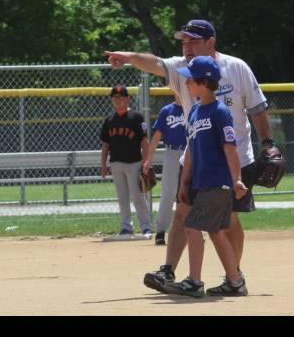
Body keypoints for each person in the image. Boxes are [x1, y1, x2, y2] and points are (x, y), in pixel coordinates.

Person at [105, 19, 274, 292]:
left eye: (193, 40)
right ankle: (169, 271)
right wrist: (128, 58)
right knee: (183, 213)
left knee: (227, 220)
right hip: (196, 158)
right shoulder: (183, 70)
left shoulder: (236, 68)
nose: (187, 46)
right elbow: (155, 63)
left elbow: (257, 109)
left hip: (233, 161)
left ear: (211, 42)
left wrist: (267, 144)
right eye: (184, 41)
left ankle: (233, 275)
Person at [160, 56, 248, 297]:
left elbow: (230, 148)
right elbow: (190, 149)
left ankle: (195, 281)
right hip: (200, 179)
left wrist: (237, 178)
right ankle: (235, 281)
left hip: (217, 180)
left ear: (203, 82)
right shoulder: (196, 110)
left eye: (190, 81)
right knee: (216, 231)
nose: (186, 85)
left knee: (193, 225)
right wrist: (184, 180)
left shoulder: (220, 112)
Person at [100, 84, 153, 238]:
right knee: (122, 196)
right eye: (115, 98)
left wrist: (146, 162)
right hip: (116, 163)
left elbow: (144, 141)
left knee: (137, 196)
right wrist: (103, 164)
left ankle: (146, 227)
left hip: (134, 162)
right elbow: (105, 144)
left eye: (121, 97)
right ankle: (126, 227)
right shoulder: (109, 120)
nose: (117, 100)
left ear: (128, 98)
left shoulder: (136, 118)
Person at [142, 94, 187, 246]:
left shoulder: (194, 107)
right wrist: (148, 159)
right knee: (168, 193)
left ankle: (194, 229)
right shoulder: (167, 111)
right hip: (171, 153)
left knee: (192, 191)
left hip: (191, 152)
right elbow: (156, 137)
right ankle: (161, 230)